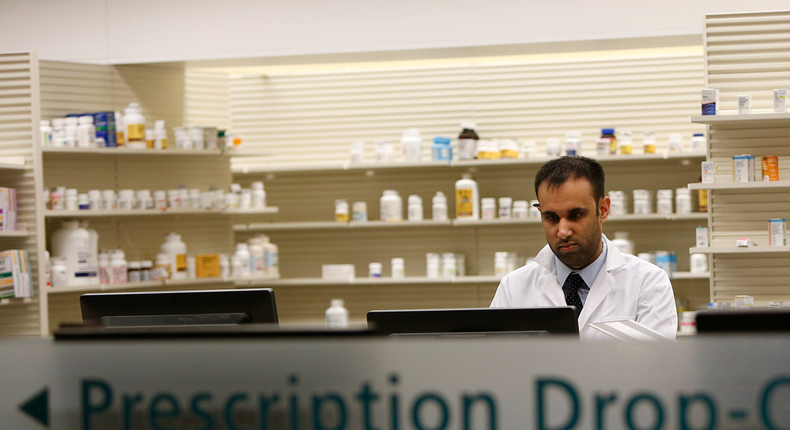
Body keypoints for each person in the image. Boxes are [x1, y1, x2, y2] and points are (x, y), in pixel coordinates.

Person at [490, 156, 677, 339]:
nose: (563, 231)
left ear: (602, 210)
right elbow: (494, 362)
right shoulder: (514, 287)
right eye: (551, 218)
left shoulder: (648, 283)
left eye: (576, 215)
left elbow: (656, 364)